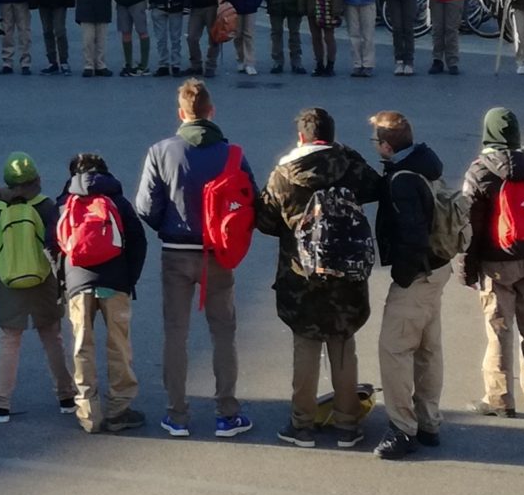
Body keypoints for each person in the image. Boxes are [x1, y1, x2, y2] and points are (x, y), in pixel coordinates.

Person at [134, 79, 254, 440]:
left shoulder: (161, 150)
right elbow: (251, 202)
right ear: (210, 112)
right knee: (223, 333)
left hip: (176, 252)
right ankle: (227, 413)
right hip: (218, 254)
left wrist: (167, 226)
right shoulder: (233, 153)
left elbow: (144, 206)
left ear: (181, 114)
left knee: (176, 333)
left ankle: (178, 415)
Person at [256, 107, 383, 448]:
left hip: (301, 275)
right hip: (347, 272)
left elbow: (266, 221)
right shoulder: (349, 165)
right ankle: (347, 425)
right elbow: (376, 187)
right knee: (343, 345)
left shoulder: (284, 173)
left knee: (306, 345)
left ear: (302, 136)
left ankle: (303, 424)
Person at [0, 151, 76, 423]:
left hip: (9, 283)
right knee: (52, 335)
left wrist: (2, 276)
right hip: (43, 281)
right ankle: (67, 394)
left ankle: (0, 402)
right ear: (35, 179)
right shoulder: (46, 206)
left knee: (9, 339)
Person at [367, 110, 452, 459]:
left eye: (376, 141)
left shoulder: (402, 180)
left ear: (386, 146)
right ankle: (428, 420)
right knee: (428, 347)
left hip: (417, 275)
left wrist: (403, 277)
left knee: (395, 349)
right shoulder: (424, 163)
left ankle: (402, 428)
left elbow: (412, 235)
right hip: (439, 267)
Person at [461, 107, 524, 417]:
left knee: (499, 331)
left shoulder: (480, 172)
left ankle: (500, 399)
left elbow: (470, 227)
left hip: (497, 262)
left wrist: (466, 267)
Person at [56, 150, 148, 434]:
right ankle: (119, 409)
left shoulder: (64, 203)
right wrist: (129, 278)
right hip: (115, 282)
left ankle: (88, 413)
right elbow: (138, 241)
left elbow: (53, 244)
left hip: (78, 284)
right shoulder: (117, 200)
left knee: (82, 346)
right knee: (118, 345)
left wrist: (64, 280)